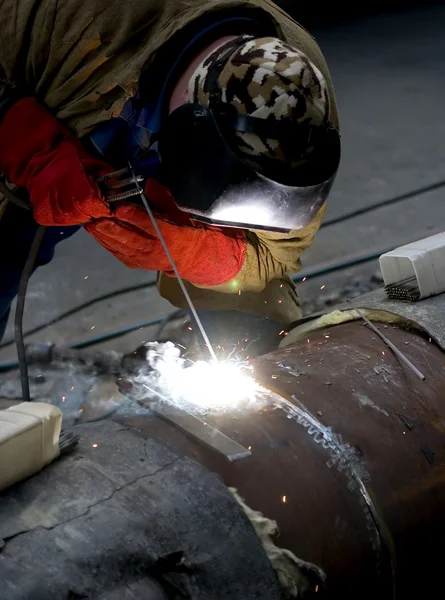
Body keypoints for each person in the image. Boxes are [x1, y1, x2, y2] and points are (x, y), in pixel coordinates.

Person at [0, 0, 340, 357]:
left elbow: (274, 256)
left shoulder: (298, 92)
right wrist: (32, 148)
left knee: (244, 281)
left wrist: (210, 257)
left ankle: (257, 367)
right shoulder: (64, 21)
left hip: (173, 118)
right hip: (68, 101)